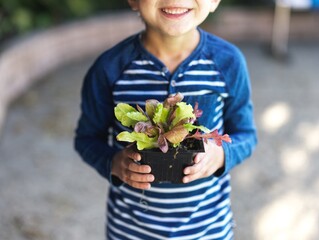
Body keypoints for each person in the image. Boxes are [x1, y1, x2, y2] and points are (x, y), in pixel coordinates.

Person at [74, 0, 257, 239]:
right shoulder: (109, 68)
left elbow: (246, 135)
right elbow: (87, 138)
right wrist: (115, 163)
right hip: (130, 232)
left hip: (208, 230)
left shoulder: (228, 63)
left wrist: (221, 155)